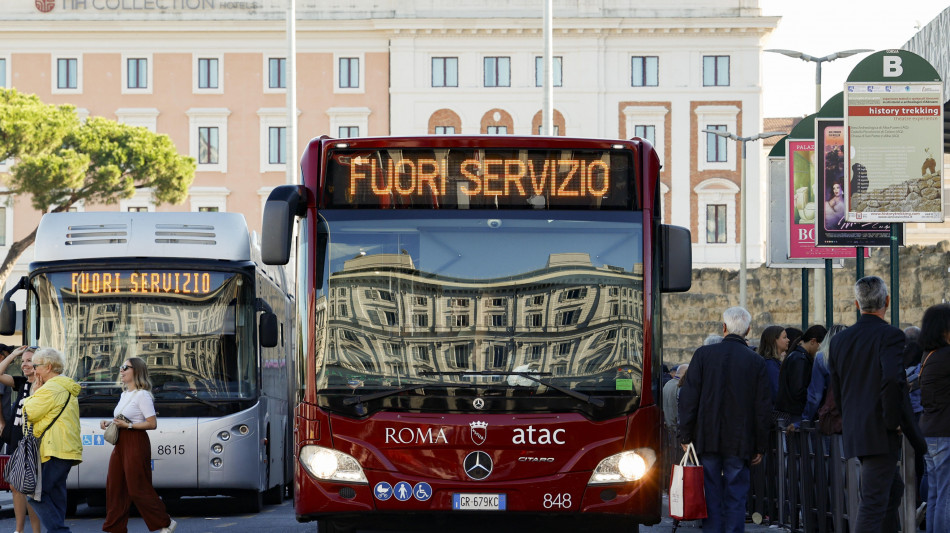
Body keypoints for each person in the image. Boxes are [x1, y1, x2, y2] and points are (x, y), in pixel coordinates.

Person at [678, 307, 771, 533]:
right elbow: (762, 408)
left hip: (707, 438)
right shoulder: (756, 362)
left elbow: (689, 399)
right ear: (748, 330)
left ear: (724, 328)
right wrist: (760, 445)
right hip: (740, 440)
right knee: (736, 495)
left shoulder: (702, 355)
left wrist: (685, 435)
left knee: (710, 493)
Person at [828, 276, 907, 533]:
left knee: (892, 490)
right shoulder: (891, 335)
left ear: (856, 303)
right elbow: (893, 380)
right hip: (880, 431)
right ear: (886, 300)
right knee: (873, 504)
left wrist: (850, 417)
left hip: (858, 429)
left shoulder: (840, 340)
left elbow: (837, 388)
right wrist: (893, 421)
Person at [101, 357, 177, 533]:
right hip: (121, 442)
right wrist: (109, 423)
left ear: (136, 371)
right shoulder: (124, 394)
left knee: (137, 488)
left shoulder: (143, 395)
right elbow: (124, 418)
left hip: (136, 442)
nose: (121, 370)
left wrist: (127, 425)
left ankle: (165, 522)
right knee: (115, 486)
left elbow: (152, 423)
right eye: (121, 367)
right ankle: (115, 528)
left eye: (124, 367)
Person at [22, 348, 82, 533]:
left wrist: (35, 392)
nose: (33, 370)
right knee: (56, 495)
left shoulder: (51, 388)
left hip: (54, 448)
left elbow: (29, 412)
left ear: (48, 367)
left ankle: (59, 532)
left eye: (36, 366)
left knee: (35, 495)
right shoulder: (65, 385)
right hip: (65, 448)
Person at [0, 346, 42, 533]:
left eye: (28, 360)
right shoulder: (21, 382)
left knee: (30, 487)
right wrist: (14, 355)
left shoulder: (46, 386)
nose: (24, 365)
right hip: (16, 438)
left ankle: (36, 531)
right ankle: (19, 530)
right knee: (15, 485)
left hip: (33, 440)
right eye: (22, 361)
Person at [918, 303, 950, 532]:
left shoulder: (929, 356)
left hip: (930, 432)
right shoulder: (946, 356)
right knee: (946, 497)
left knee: (936, 495)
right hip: (945, 433)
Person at [796, 325, 847, 429]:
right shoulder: (857, 357)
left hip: (832, 417)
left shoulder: (822, 358)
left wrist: (805, 419)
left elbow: (815, 396)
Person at [776, 325, 826, 426]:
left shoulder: (797, 356)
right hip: (795, 414)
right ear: (813, 341)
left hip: (792, 412)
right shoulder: (800, 359)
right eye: (821, 346)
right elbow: (798, 390)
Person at [757, 325, 788, 403]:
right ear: (774, 340)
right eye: (784, 337)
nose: (788, 340)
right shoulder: (769, 364)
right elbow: (776, 392)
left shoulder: (773, 362)